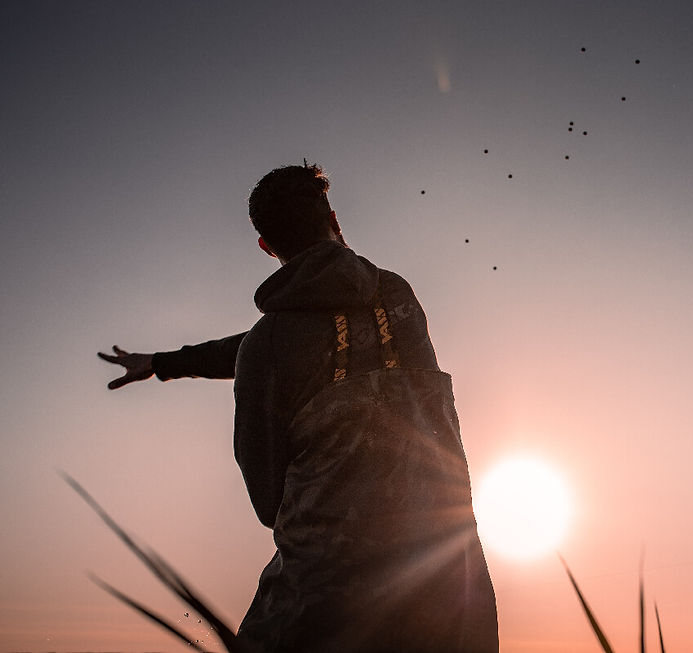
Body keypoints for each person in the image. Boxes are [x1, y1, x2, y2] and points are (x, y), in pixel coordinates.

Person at [99, 163, 498, 653]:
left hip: (324, 601)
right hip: (451, 588)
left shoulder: (268, 345)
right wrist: (165, 363)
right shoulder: (399, 297)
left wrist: (162, 364)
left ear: (266, 246)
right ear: (333, 216)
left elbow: (268, 500)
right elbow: (277, 344)